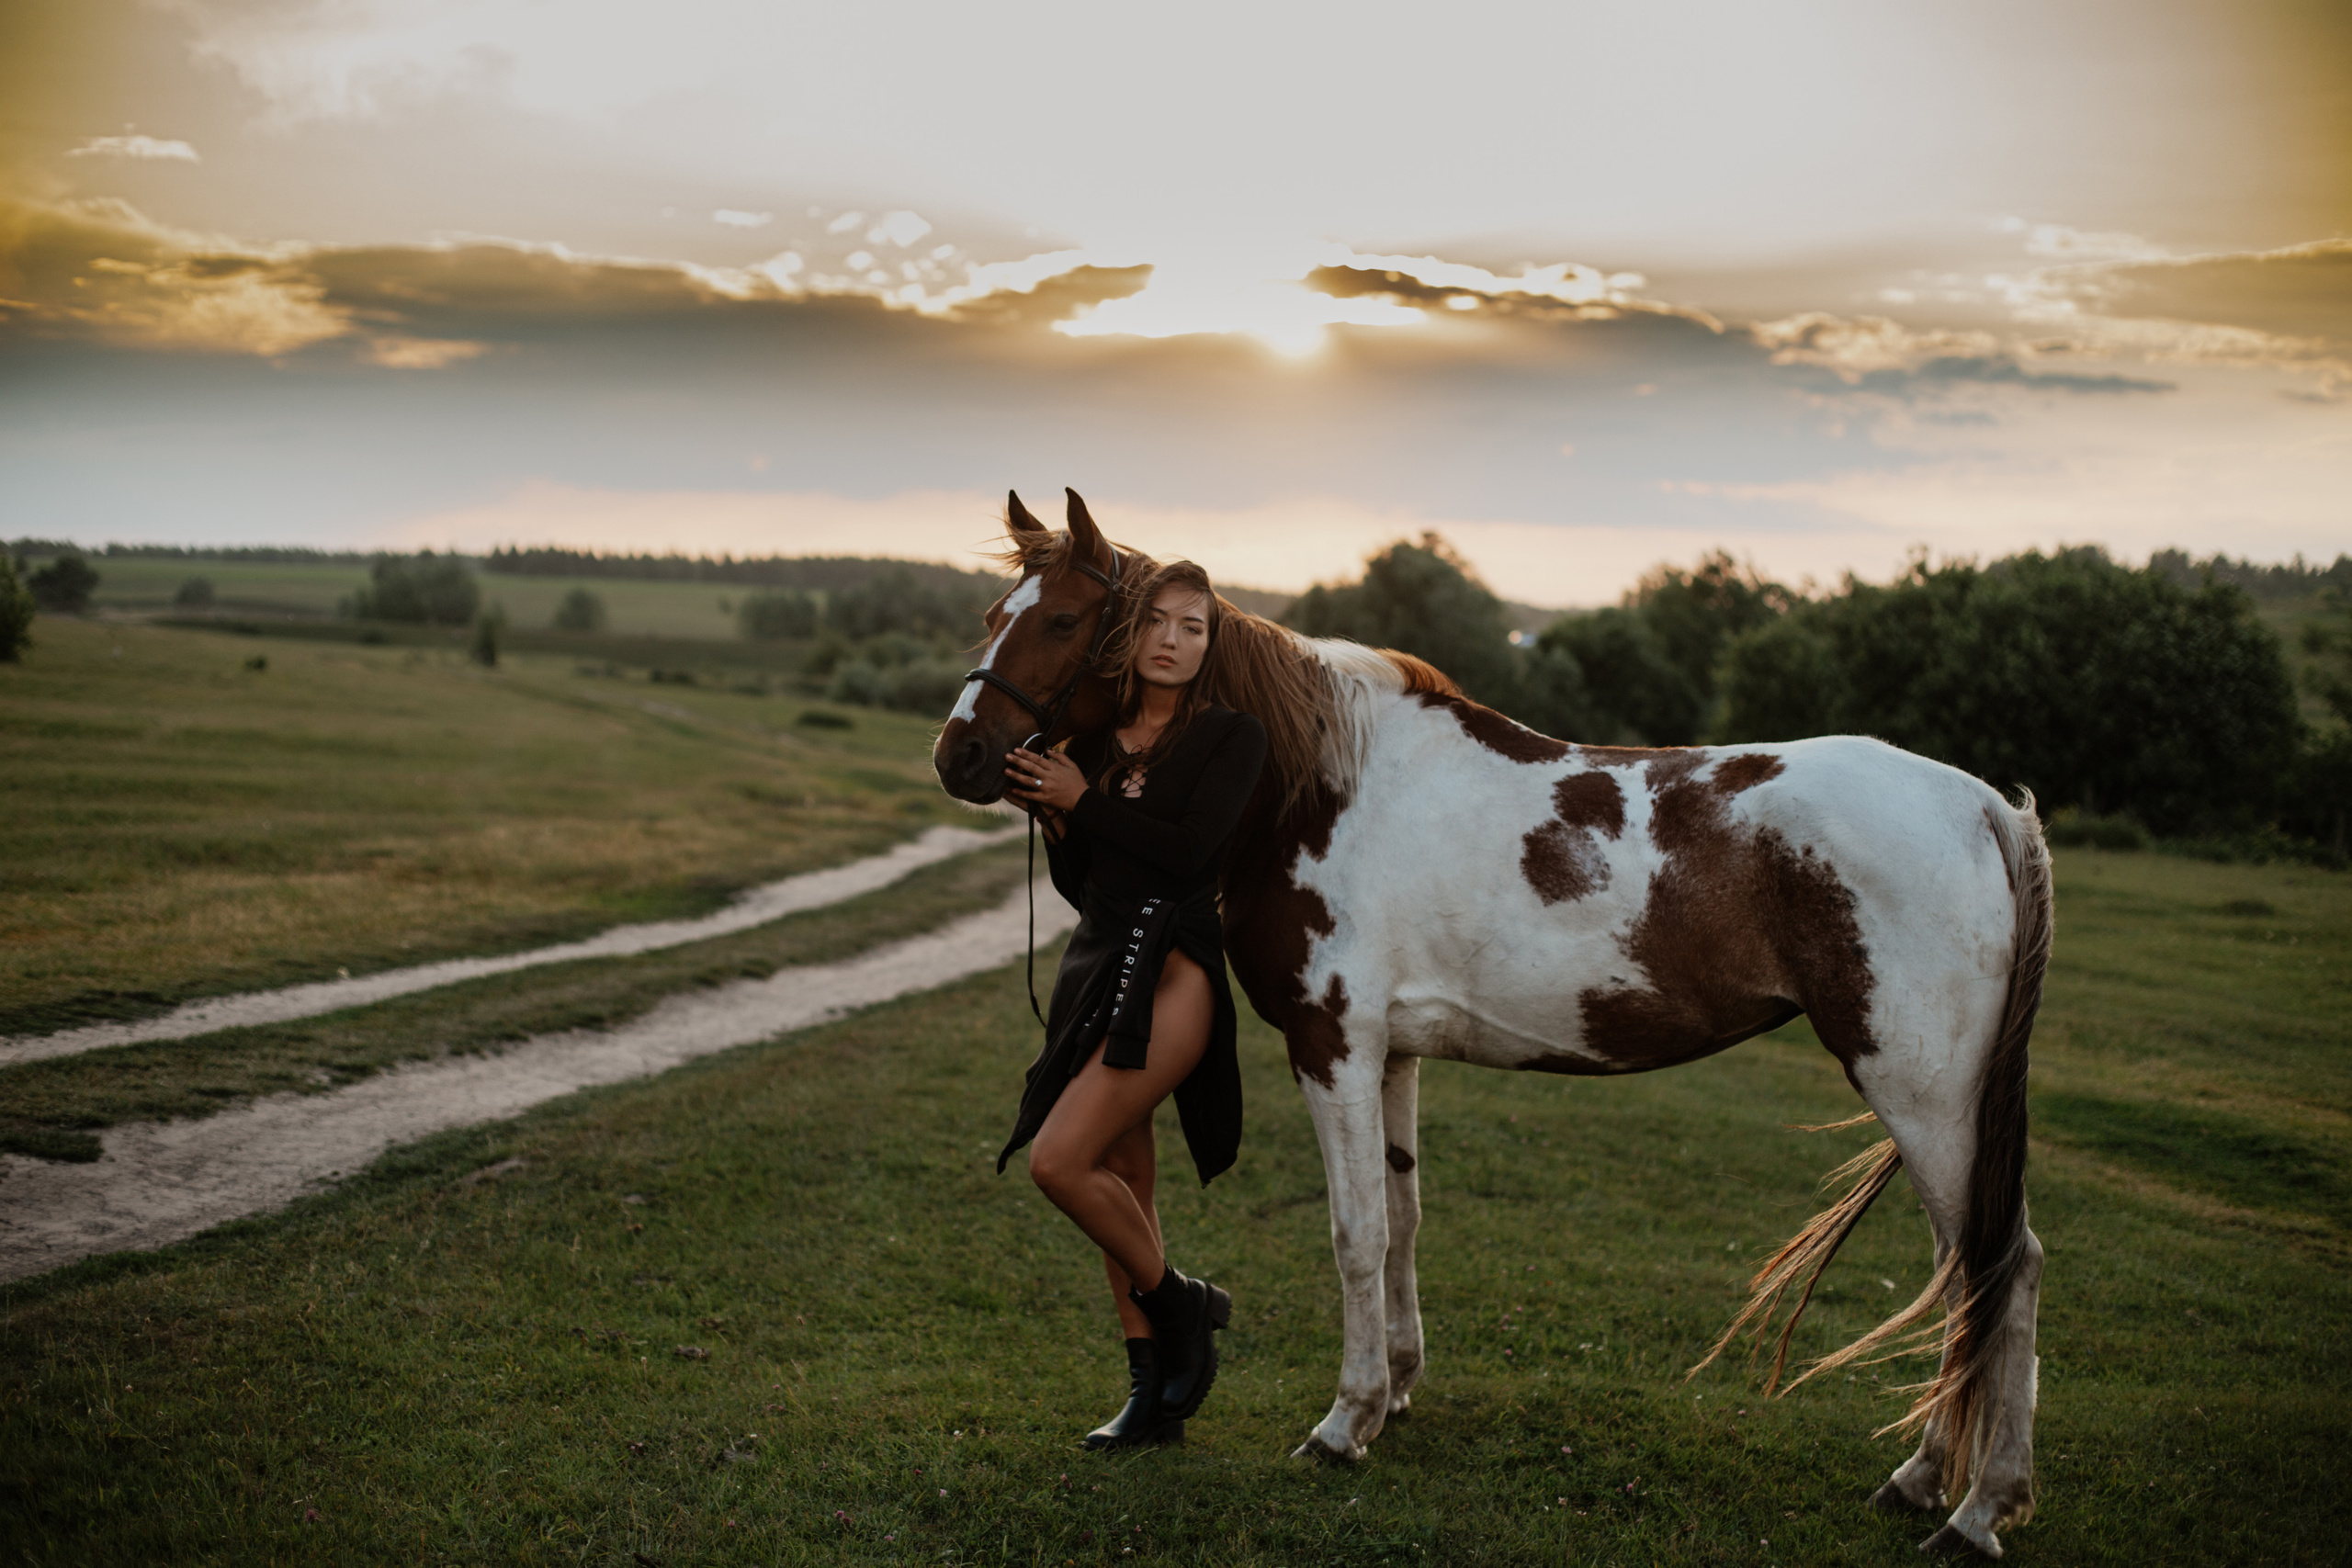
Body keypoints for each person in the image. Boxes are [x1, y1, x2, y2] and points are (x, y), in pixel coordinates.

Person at [1000, 558, 1269, 1450]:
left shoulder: (1234, 736)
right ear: (1131, 632)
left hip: (1178, 969)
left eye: (1194, 627)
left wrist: (1088, 804)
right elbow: (1093, 890)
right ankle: (1152, 1393)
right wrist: (1062, 821)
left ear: (1209, 643)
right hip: (1098, 962)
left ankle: (1183, 1303)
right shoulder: (1094, 746)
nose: (1173, 641)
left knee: (1060, 1162)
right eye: (1159, 620)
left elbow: (1190, 856)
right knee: (1124, 1179)